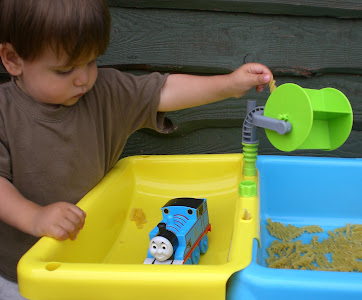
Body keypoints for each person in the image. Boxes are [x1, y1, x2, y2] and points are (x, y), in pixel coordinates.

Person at [0, 0, 273, 299]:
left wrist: (229, 85)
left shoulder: (105, 91)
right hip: (23, 273)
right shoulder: (4, 112)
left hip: (98, 258)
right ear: (13, 59)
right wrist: (35, 217)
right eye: (65, 70)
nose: (83, 78)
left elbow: (163, 92)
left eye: (91, 62)